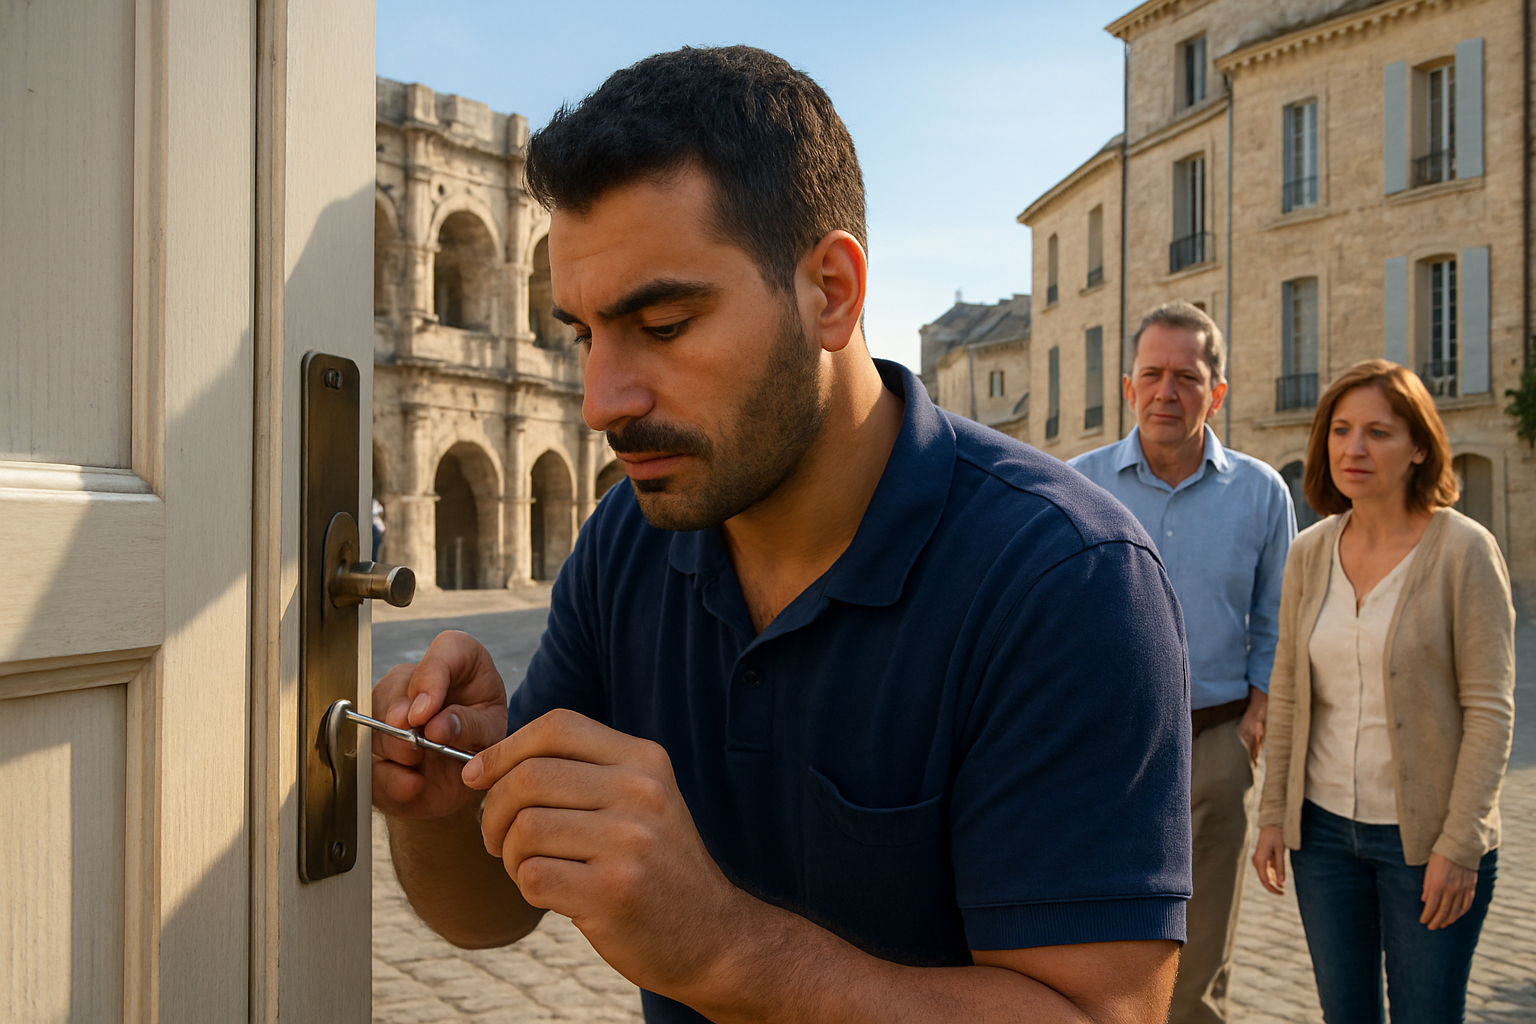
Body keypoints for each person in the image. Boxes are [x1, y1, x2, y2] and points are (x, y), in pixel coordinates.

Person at [371, 46, 1193, 1024]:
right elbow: (491, 912)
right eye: (584, 334)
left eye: (663, 324)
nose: (600, 402)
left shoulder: (1067, 579)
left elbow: (1100, 1014)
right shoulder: (628, 540)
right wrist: (441, 803)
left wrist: (724, 947)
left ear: (831, 292)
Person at [1252, 359, 1515, 1023]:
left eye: (1379, 432)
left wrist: (1459, 844)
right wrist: (1275, 814)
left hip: (1427, 843)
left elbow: (1490, 712)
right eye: (1341, 430)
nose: (1354, 449)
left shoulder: (1464, 551)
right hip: (1324, 838)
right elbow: (1288, 690)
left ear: (1419, 447)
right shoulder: (1310, 551)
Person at [1070, 301, 1295, 1024]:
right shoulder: (1075, 485)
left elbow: (1279, 618)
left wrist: (1258, 712)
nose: (1167, 391)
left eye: (1188, 377)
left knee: (1201, 957)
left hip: (1218, 743)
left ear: (1216, 392)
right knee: (1098, 939)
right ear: (1128, 387)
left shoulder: (1261, 492)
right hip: (1103, 753)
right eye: (1153, 374)